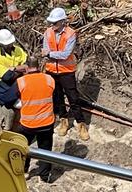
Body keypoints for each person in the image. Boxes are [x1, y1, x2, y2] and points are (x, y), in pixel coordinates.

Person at [42, 7, 89, 141]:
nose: (52, 25)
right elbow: (44, 50)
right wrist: (51, 55)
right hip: (52, 71)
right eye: (51, 23)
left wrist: (50, 54)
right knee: (57, 98)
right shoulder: (48, 32)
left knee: (73, 98)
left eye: (55, 23)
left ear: (63, 21)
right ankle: (64, 121)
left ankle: (81, 124)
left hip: (66, 72)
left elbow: (66, 54)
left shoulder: (71, 34)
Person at [14, 57, 56, 183]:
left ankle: (24, 171)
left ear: (27, 67)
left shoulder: (21, 81)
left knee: (23, 147)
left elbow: (11, 97)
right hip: (47, 122)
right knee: (45, 149)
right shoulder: (49, 79)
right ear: (39, 66)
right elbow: (54, 95)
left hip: (28, 123)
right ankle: (45, 176)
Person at [0, 29, 27, 130]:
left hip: (17, 84)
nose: (10, 45)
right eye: (7, 44)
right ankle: (7, 129)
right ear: (1, 44)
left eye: (11, 43)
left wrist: (14, 69)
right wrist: (20, 68)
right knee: (14, 109)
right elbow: (7, 77)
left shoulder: (18, 50)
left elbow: (27, 64)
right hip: (4, 88)